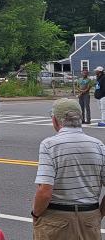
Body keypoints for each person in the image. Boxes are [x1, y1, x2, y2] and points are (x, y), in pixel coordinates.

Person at [32, 98, 105, 240]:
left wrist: (35, 214)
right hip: (89, 216)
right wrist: (98, 214)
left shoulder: (50, 145)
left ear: (55, 120)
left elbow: (45, 191)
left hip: (57, 218)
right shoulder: (98, 146)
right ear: (80, 118)